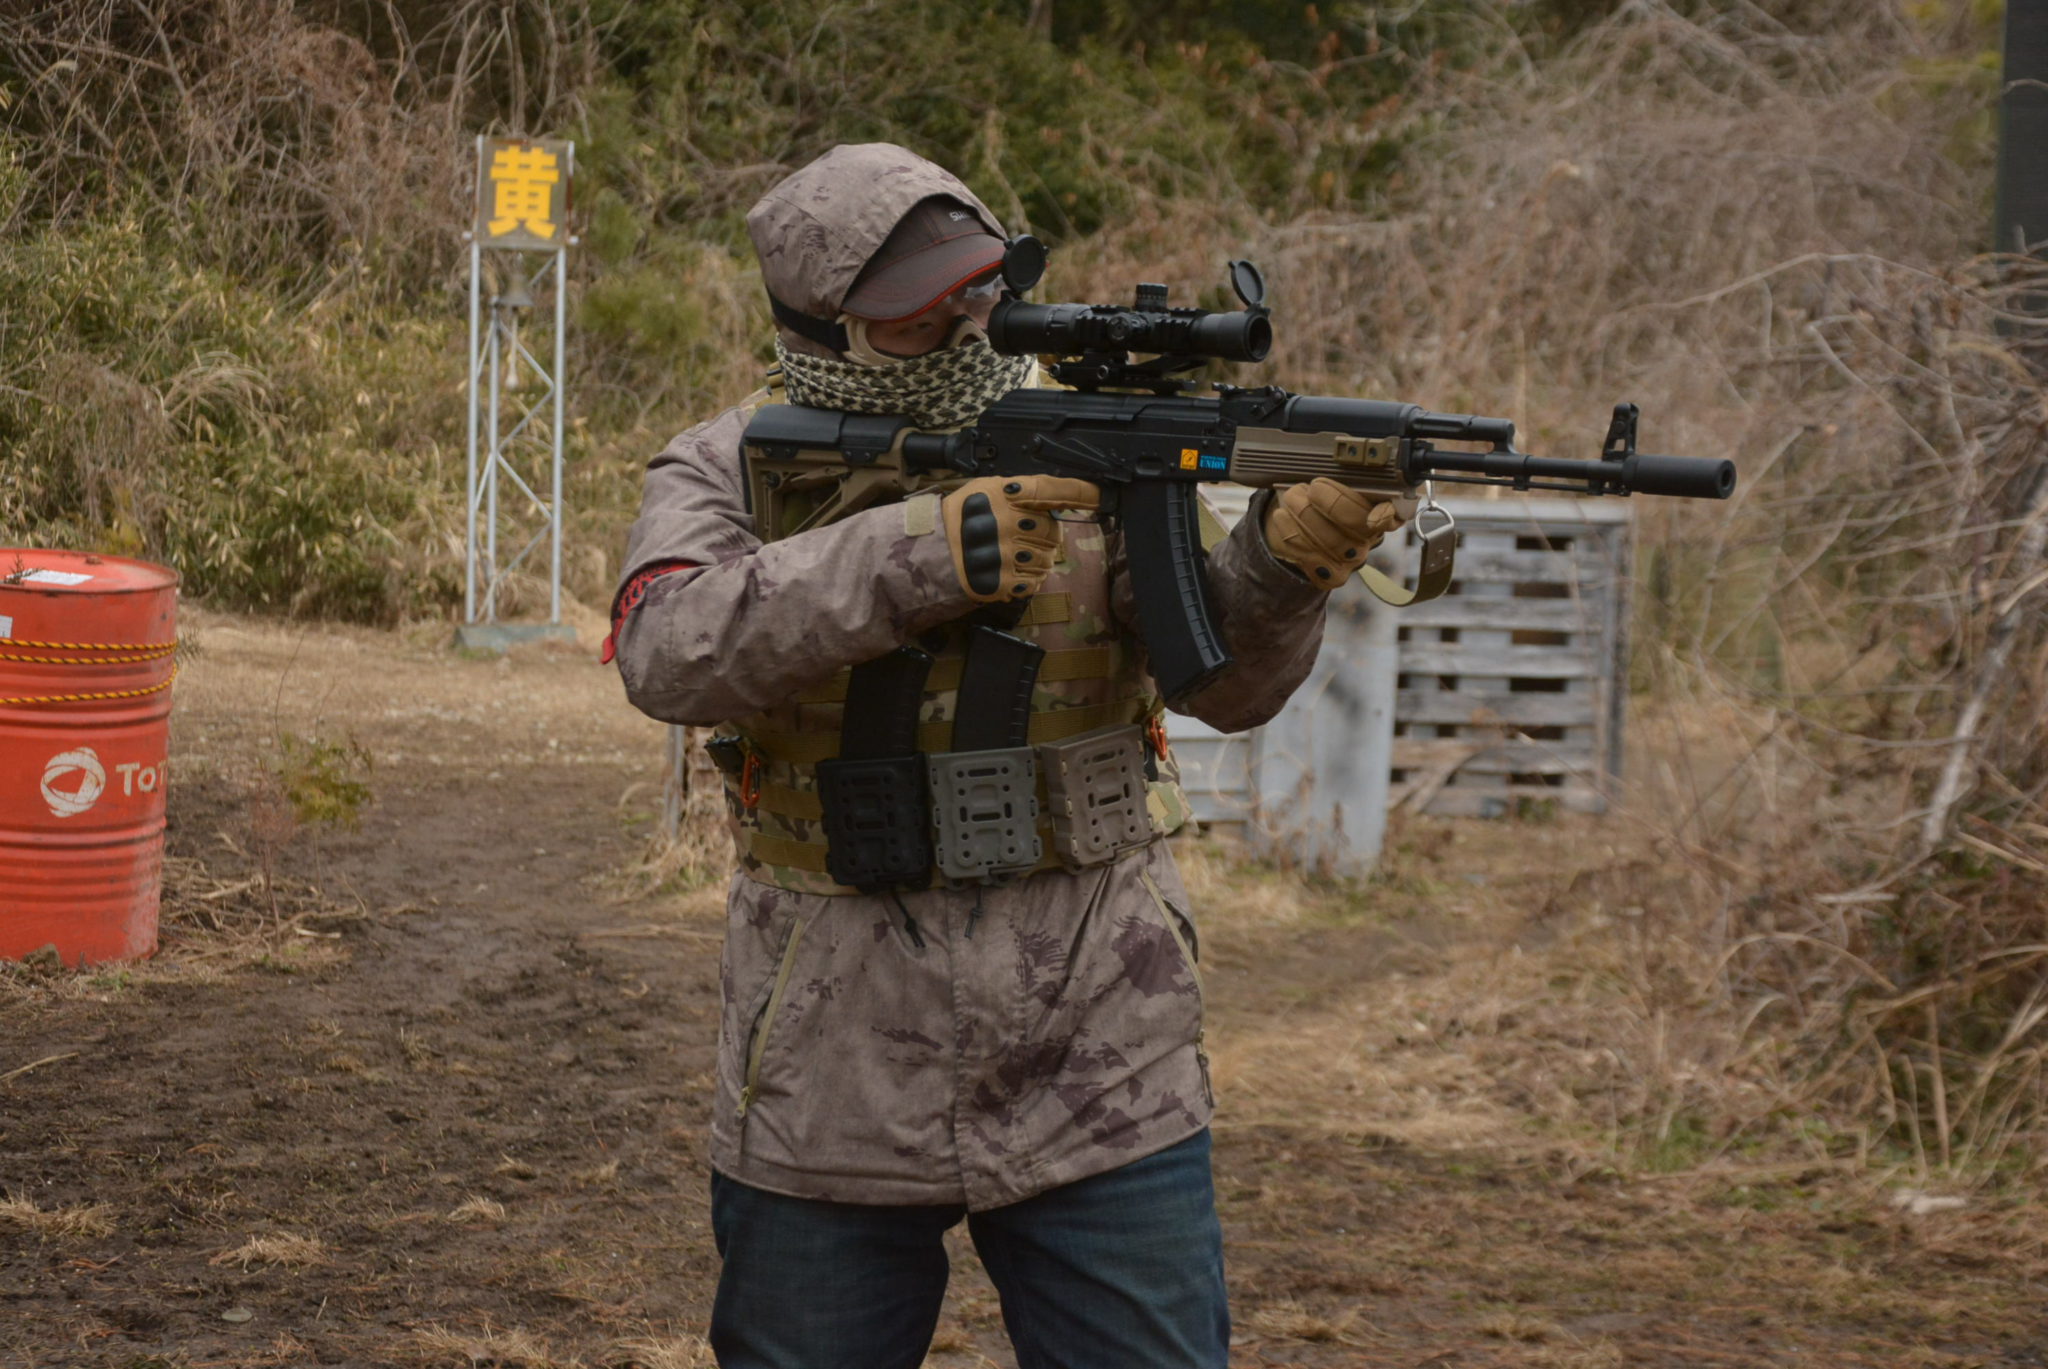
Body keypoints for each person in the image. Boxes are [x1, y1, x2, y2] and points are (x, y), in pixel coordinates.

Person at [608, 143, 1406, 1369]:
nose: (964, 329)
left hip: (1103, 1051)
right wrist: (920, 554)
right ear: (818, 333)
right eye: (913, 316)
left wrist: (1283, 569)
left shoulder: (1095, 442)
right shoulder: (724, 462)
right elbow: (664, 651)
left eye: (976, 291)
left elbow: (1227, 686)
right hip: (830, 1063)